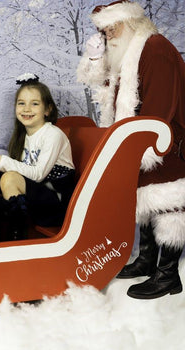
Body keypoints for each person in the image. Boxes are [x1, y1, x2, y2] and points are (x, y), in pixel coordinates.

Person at [77, 0, 185, 299]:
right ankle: (148, 260)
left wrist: (143, 141)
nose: (110, 33)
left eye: (115, 26)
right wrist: (95, 58)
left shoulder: (156, 48)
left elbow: (161, 102)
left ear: (133, 22)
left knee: (168, 202)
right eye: (105, 29)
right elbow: (102, 83)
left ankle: (168, 276)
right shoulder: (127, 51)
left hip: (168, 138)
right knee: (145, 197)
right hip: (143, 137)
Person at [0, 74, 75, 244]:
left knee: (10, 177)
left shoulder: (53, 135)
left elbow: (37, 175)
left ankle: (16, 237)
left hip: (56, 207)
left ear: (47, 110)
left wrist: (2, 162)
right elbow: (22, 170)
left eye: (34, 104)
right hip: (34, 199)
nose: (26, 109)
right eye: (21, 103)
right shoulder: (23, 136)